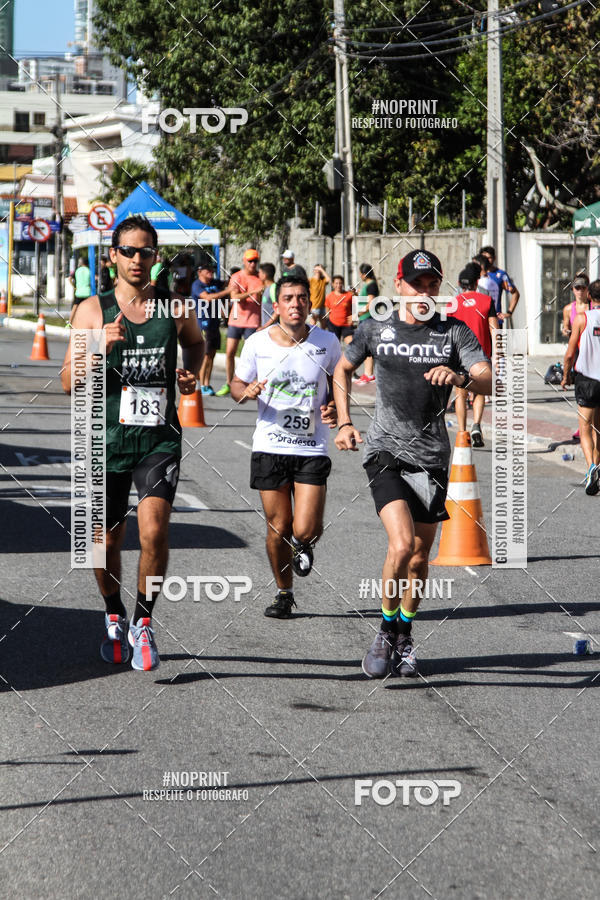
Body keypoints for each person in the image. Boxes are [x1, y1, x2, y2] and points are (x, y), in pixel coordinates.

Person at [333, 250, 492, 679]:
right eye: (416, 284)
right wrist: (345, 421)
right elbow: (341, 370)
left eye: (432, 285)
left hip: (431, 459)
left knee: (420, 558)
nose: (424, 292)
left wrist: (460, 377)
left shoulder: (453, 332)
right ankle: (385, 630)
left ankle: (404, 633)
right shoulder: (375, 329)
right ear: (399, 285)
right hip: (385, 451)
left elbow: (488, 378)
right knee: (401, 545)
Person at [60, 214, 204, 671]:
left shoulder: (175, 308)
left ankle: (143, 622)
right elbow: (67, 381)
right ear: (113, 257)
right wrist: (96, 345)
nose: (137, 259)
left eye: (146, 251)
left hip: (157, 439)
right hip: (102, 439)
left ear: (156, 257)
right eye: (129, 251)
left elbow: (197, 345)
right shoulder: (91, 310)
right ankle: (113, 611)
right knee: (101, 545)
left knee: (154, 531)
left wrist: (190, 377)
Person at [231, 275, 340, 619]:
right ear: (276, 306)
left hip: (311, 446)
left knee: (304, 528)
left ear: (310, 304)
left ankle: (303, 543)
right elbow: (236, 383)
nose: (295, 304)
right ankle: (283, 592)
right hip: (270, 445)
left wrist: (336, 407)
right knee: (278, 528)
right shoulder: (257, 343)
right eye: (288, 298)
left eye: (301, 298)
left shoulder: (327, 342)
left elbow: (340, 383)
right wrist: (245, 393)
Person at [450, 263, 499, 447]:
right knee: (479, 390)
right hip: (482, 354)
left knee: (460, 393)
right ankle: (477, 424)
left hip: (459, 354)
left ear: (459, 283)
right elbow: (495, 329)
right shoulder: (486, 301)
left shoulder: (452, 303)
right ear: (476, 282)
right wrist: (498, 355)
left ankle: (462, 432)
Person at [562, 279, 600, 495]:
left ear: (588, 297)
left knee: (585, 427)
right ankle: (597, 466)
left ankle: (591, 468)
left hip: (586, 378)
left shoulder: (582, 318)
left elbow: (569, 354)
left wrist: (566, 376)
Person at [216, 250, 262, 396]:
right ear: (244, 261)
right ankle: (229, 383)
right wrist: (252, 292)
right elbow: (234, 297)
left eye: (255, 261)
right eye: (250, 261)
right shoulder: (237, 277)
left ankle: (250, 385)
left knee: (253, 356)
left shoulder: (260, 277)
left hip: (253, 321)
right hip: (236, 320)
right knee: (230, 352)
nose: (252, 264)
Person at [191, 260, 229, 395]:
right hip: (203, 324)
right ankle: (202, 385)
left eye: (212, 271)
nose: (211, 273)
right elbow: (207, 298)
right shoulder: (197, 285)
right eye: (207, 271)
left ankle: (207, 383)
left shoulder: (215, 283)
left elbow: (228, 283)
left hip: (214, 323)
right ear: (199, 272)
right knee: (205, 355)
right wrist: (227, 292)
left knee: (212, 355)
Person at [479, 245, 520, 321]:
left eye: (489, 258)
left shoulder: (500, 275)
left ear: (494, 258)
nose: (486, 261)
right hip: (479, 319)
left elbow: (515, 293)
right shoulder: (475, 273)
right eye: (484, 258)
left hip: (495, 319)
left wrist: (509, 312)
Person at [354, 263, 379, 384]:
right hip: (365, 318)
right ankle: (367, 373)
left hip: (368, 318)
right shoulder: (368, 285)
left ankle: (369, 374)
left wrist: (358, 314)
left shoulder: (371, 286)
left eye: (360, 273)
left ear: (364, 274)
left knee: (367, 346)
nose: (360, 276)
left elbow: (371, 303)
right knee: (366, 346)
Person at [324, 275, 354, 343]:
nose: (338, 285)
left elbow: (358, 305)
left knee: (351, 342)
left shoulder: (349, 295)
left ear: (343, 284)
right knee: (335, 345)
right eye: (336, 283)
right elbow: (327, 311)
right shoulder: (329, 296)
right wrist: (327, 323)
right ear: (333, 284)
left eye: (340, 283)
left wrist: (354, 317)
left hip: (346, 324)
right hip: (333, 324)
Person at [561, 272, 590, 337]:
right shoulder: (568, 309)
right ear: (573, 289)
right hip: (576, 345)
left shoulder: (594, 307)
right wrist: (566, 331)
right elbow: (566, 327)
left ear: (588, 288)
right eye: (577, 287)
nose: (580, 290)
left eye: (583, 287)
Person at [69, 257, 91, 323]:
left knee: (75, 307)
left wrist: (75, 286)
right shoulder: (89, 270)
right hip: (87, 292)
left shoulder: (77, 270)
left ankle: (70, 322)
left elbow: (69, 278)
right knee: (88, 308)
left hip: (79, 292)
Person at [309, 264, 330, 328]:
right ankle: (312, 337)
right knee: (313, 325)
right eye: (316, 269)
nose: (318, 270)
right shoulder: (311, 280)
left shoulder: (323, 280)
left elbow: (328, 279)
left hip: (322, 306)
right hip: (314, 306)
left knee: (323, 325)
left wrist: (322, 270)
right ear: (314, 270)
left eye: (319, 269)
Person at [258, 262, 278, 328]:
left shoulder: (273, 288)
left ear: (264, 275)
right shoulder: (266, 288)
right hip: (267, 328)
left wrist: (265, 326)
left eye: (260, 273)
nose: (258, 275)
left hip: (273, 328)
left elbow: (277, 310)